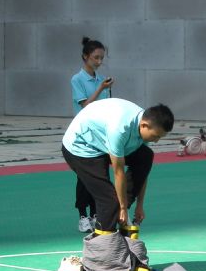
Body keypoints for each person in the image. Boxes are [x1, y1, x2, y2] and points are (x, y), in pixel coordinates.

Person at [61, 98, 174, 235]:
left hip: (102, 140)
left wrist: (139, 205)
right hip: (81, 148)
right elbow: (118, 172)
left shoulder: (144, 124)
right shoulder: (119, 129)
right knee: (110, 201)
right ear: (144, 125)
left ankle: (117, 215)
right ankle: (102, 242)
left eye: (159, 137)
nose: (156, 141)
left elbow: (142, 173)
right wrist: (122, 207)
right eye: (155, 136)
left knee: (146, 156)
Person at [70, 37, 114, 232]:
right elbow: (85, 105)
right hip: (83, 135)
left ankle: (96, 213)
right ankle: (82, 215)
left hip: (100, 135)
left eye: (101, 58)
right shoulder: (77, 80)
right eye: (96, 57)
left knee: (101, 174)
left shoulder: (101, 79)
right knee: (84, 176)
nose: (99, 61)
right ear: (85, 57)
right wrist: (101, 88)